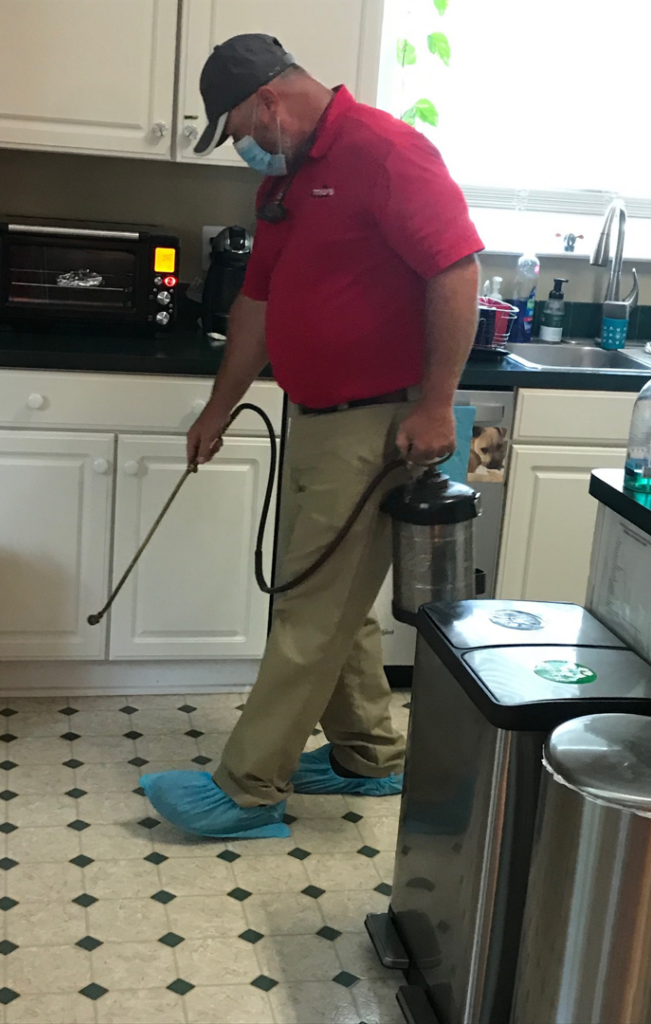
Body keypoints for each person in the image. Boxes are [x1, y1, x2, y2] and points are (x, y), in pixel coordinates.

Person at [140, 33, 483, 840]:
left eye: (246, 132)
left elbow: (456, 269)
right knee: (333, 597)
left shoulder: (388, 152)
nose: (250, 149)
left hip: (379, 424)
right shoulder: (288, 185)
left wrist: (436, 405)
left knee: (307, 605)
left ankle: (249, 788)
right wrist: (217, 409)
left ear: (269, 102)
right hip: (315, 416)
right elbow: (256, 305)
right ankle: (370, 753)